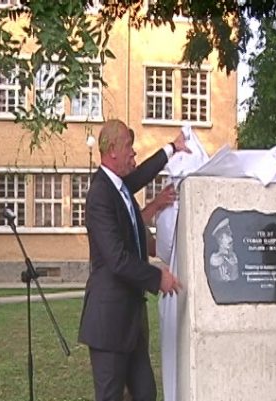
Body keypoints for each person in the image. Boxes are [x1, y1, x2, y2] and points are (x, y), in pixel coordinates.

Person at [78, 119, 186, 401]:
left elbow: (144, 174)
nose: (133, 152)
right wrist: (157, 277)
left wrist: (173, 148)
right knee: (111, 396)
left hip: (131, 321)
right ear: (112, 150)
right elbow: (116, 258)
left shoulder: (120, 186)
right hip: (109, 322)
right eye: (128, 146)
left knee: (145, 393)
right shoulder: (100, 194)